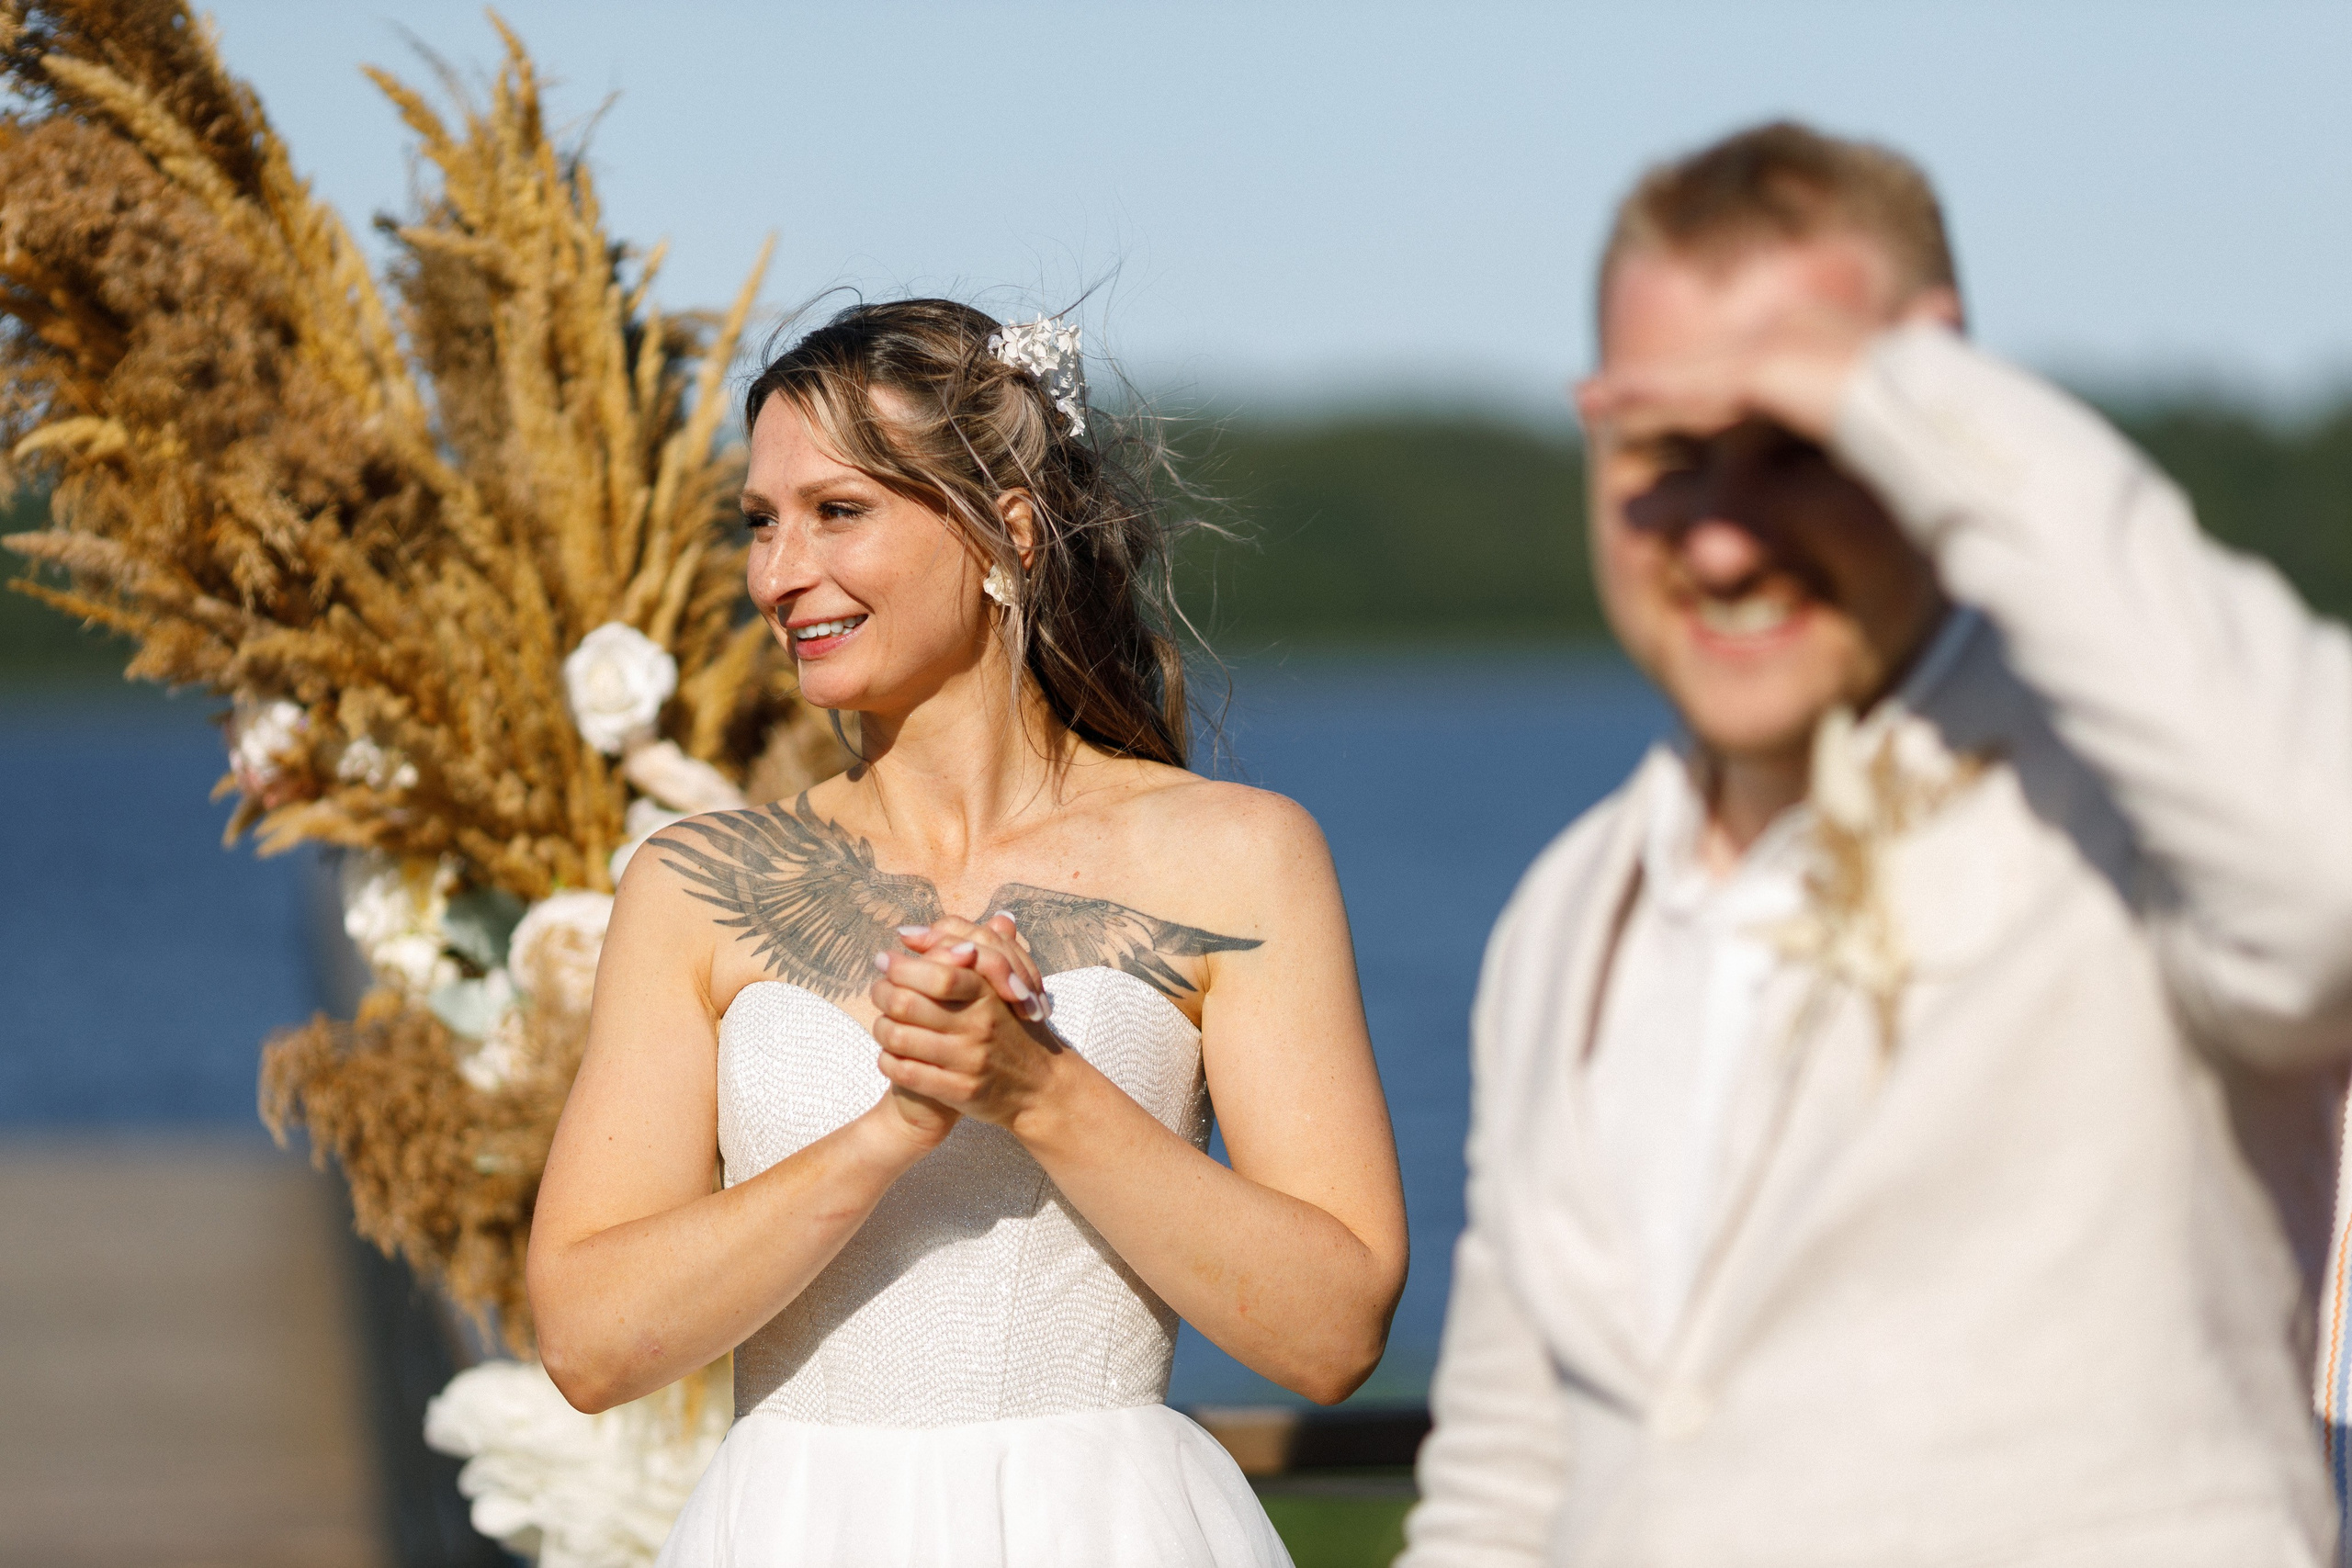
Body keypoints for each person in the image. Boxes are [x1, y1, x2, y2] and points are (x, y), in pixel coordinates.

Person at [1403, 122, 2352, 1565]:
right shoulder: (1566, 913)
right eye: (1668, 451)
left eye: (1798, 446)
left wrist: (1923, 405)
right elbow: (1506, 1479)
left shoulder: (2125, 818)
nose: (1723, 542)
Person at [526, 299, 1408, 1567]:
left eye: (839, 512)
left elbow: (1331, 1334)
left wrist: (1035, 1089)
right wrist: (894, 1129)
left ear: (1005, 532)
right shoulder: (694, 882)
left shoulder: (1240, 855)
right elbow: (590, 1345)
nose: (778, 574)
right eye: (759, 524)